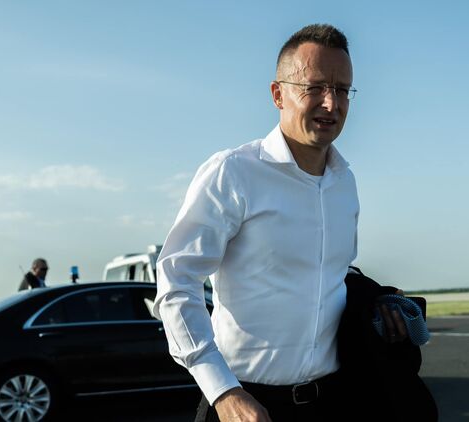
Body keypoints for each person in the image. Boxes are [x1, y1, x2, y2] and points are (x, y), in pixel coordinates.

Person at [153, 24, 407, 422]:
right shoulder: (233, 173)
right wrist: (223, 392)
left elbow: (334, 275)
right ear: (278, 94)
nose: (331, 103)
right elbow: (176, 282)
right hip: (244, 402)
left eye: (342, 90)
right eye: (315, 87)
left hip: (332, 400)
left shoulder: (345, 182)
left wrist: (375, 300)